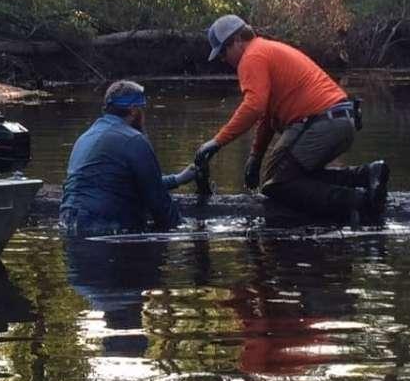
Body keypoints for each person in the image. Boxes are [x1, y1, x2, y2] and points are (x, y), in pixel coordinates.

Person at [192, 14, 389, 221]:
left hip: (322, 123)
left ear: (237, 40)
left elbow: (253, 106)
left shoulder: (251, 57)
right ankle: (366, 175)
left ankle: (358, 202)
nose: (224, 60)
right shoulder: (264, 49)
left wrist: (217, 142)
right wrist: (255, 156)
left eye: (223, 52)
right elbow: (267, 114)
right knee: (294, 177)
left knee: (277, 184)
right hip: (340, 120)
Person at [59, 80, 197, 236]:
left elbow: (116, 184)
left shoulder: (85, 137)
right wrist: (186, 231)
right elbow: (158, 201)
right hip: (104, 229)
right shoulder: (134, 139)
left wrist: (177, 179)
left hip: (68, 223)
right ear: (133, 110)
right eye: (143, 109)